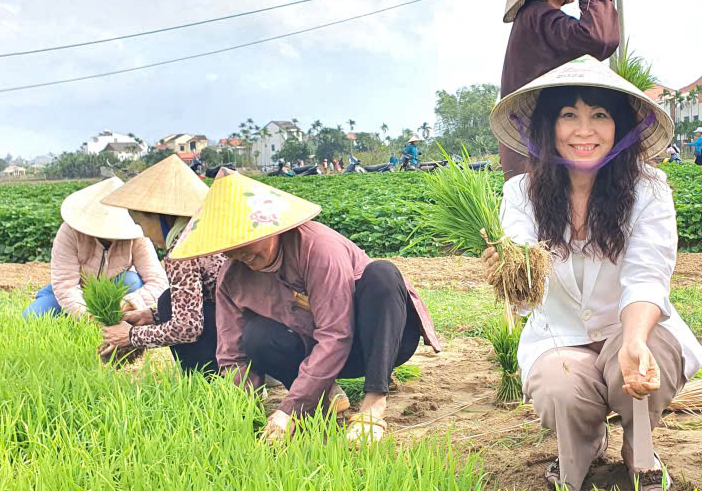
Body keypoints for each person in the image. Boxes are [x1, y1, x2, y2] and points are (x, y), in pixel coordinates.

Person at [486, 57, 702, 491]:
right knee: (559, 385)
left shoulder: (649, 189)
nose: (584, 131)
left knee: (646, 358)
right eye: (569, 115)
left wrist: (634, 340)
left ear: (619, 127)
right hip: (559, 337)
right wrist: (511, 269)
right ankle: (583, 446)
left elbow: (647, 275)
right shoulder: (520, 194)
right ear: (549, 127)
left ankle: (640, 450)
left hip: (627, 325)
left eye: (599, 115)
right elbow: (526, 284)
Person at [168, 173, 441, 444]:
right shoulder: (231, 278)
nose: (240, 254)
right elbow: (233, 352)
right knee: (256, 336)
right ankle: (323, 396)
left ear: (271, 228)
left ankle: (373, 403)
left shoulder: (317, 248)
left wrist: (289, 409)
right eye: (229, 249)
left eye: (245, 242)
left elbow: (337, 333)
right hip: (315, 350)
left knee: (382, 274)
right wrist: (239, 410)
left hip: (376, 343)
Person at [500, 0, 620, 180]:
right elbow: (598, 38)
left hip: (539, 158)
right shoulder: (537, 17)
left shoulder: (537, 18)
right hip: (538, 163)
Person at [97, 156, 224, 374]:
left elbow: (187, 327)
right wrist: (150, 316)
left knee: (168, 302)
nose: (144, 233)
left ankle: (207, 376)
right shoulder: (204, 231)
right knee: (167, 302)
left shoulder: (182, 250)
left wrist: (131, 336)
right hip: (250, 329)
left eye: (141, 223)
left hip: (239, 337)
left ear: (159, 217)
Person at [24, 177, 167, 319]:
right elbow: (66, 285)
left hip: (113, 288)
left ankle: (117, 315)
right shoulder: (70, 232)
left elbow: (158, 281)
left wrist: (129, 302)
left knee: (132, 281)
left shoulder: (136, 235)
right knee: (31, 316)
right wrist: (86, 316)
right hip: (77, 287)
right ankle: (73, 313)